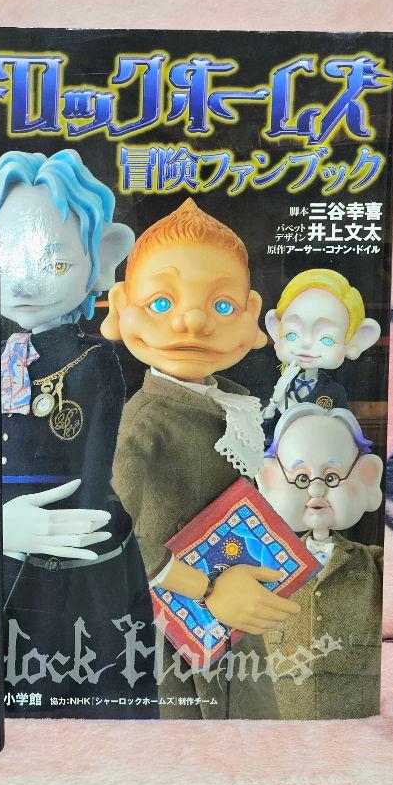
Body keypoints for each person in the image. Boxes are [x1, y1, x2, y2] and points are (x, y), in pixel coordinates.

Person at [0, 149, 158, 717]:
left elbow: (102, 452)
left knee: (84, 669)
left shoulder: (96, 360)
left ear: (103, 259)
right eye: (6, 258)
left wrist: (84, 527)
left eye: (54, 263)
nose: (24, 280)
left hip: (73, 539)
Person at [106, 198, 299, 719]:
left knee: (242, 715)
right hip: (173, 618)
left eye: (222, 307)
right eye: (161, 303)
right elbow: (115, 532)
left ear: (252, 318)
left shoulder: (231, 404)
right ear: (120, 307)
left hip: (229, 612)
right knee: (187, 721)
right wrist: (207, 587)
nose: (192, 322)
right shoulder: (145, 423)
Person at [257, 404, 384, 718]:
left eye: (331, 477)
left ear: (367, 477)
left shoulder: (375, 564)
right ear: (270, 480)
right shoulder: (263, 566)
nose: (316, 488)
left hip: (357, 706)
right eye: (301, 477)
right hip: (283, 705)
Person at [261, 268, 380, 429]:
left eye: (327, 339)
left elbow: (340, 427)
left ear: (355, 341)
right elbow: (266, 427)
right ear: (276, 331)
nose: (306, 344)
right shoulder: (284, 385)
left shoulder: (333, 391)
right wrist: (274, 404)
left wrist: (287, 406)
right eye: (292, 335)